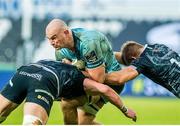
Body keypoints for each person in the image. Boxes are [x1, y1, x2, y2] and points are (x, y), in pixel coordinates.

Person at [0, 60, 137, 125]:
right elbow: (105, 89)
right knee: (32, 123)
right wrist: (125, 110)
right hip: (45, 80)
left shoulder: (70, 67)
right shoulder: (83, 81)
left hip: (26, 70)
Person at [45, 19, 124, 124]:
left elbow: (98, 79)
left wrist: (73, 67)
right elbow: (66, 76)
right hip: (90, 80)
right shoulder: (60, 50)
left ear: (66, 32)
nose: (51, 43)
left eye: (54, 38)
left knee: (68, 104)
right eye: (49, 39)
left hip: (110, 82)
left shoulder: (88, 43)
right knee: (83, 122)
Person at [105, 40, 180, 98]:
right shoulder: (160, 47)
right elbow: (125, 56)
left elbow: (119, 79)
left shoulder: (142, 61)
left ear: (133, 58)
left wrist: (97, 75)